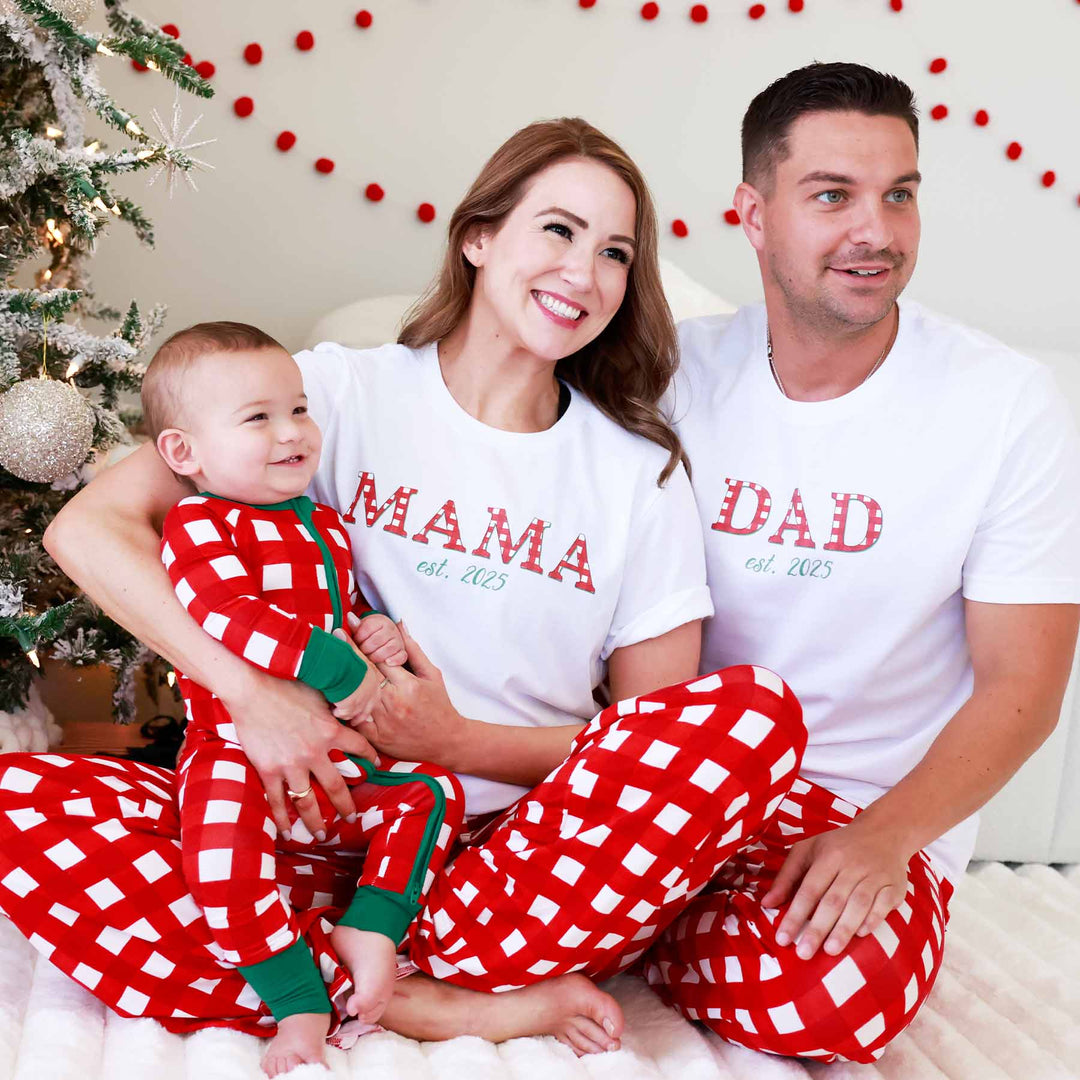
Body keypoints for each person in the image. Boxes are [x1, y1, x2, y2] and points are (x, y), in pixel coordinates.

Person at [1, 118, 804, 1059]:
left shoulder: (640, 476)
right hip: (294, 813)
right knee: (22, 799)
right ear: (478, 236)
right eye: (557, 230)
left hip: (504, 862)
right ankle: (429, 998)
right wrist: (254, 696)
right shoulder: (332, 396)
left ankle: (343, 968)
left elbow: (646, 737)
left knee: (755, 716)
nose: (583, 272)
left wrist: (455, 740)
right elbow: (87, 529)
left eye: (615, 252)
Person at [644, 62, 1080, 1062]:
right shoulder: (670, 375)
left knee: (839, 1001)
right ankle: (628, 929)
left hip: (860, 811)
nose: (875, 232)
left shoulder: (1004, 405)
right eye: (832, 195)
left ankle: (611, 942)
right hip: (678, 789)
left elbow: (1026, 684)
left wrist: (886, 837)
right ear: (753, 215)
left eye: (900, 194)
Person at [141, 321, 464, 1076]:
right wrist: (348, 674)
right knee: (218, 856)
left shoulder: (323, 524)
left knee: (432, 792)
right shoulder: (199, 522)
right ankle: (295, 998)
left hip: (329, 755)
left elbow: (338, 609)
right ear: (184, 453)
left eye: (298, 409)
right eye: (258, 418)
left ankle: (373, 926)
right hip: (234, 750)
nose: (292, 433)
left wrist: (374, 634)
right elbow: (228, 616)